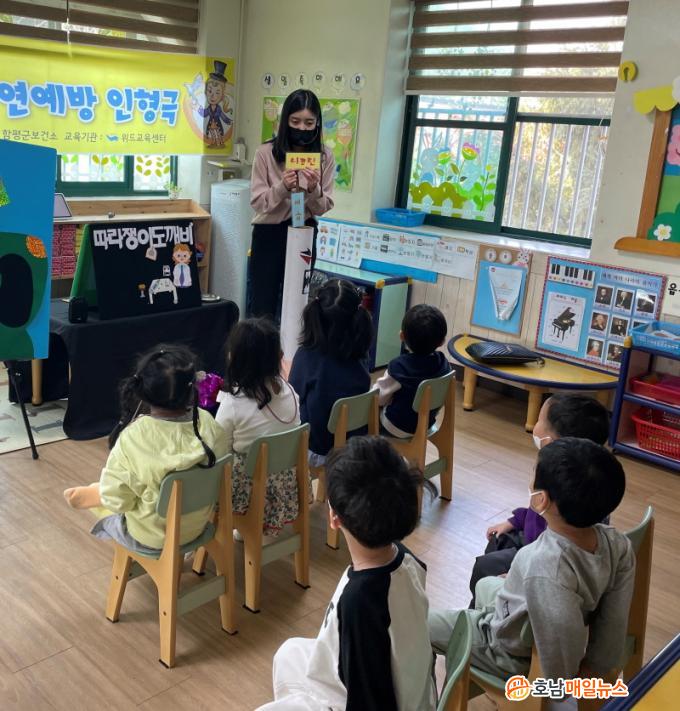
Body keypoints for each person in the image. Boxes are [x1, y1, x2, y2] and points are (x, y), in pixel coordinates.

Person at [430, 438, 635, 691]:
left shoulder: (544, 566)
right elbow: (615, 617)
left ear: (541, 500)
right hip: (521, 616)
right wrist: (599, 666)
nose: (530, 484)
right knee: (485, 584)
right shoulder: (618, 543)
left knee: (418, 625)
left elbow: (560, 634)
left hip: (509, 653)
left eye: (533, 476)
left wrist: (565, 684)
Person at [257, 436, 437, 711]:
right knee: (289, 653)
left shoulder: (360, 602)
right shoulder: (407, 559)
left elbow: (370, 700)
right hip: (408, 689)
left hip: (361, 700)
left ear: (334, 518)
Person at [63, 345, 227, 552]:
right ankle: (98, 491)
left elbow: (119, 501)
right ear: (191, 390)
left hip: (150, 536)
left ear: (143, 391)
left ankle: (97, 492)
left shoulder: (134, 436)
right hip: (197, 526)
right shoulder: (209, 424)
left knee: (111, 504)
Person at [468, 394, 610, 603]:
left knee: (484, 567)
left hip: (542, 560)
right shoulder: (590, 476)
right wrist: (514, 520)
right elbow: (537, 512)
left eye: (540, 420)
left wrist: (519, 576)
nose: (535, 425)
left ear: (553, 441)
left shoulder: (560, 488)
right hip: (536, 543)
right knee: (498, 541)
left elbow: (554, 554)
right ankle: (484, 605)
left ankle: (482, 613)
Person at [249, 89, 335, 320]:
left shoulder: (325, 157)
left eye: (309, 123)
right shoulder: (265, 153)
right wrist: (282, 187)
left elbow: (324, 207)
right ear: (285, 121)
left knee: (298, 301)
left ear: (317, 123)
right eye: (295, 121)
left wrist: (314, 189)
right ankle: (262, 343)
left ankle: (293, 344)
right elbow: (258, 202)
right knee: (262, 303)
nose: (302, 128)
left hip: (304, 231)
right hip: (269, 233)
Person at [215, 318, 305, 536]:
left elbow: (219, 450)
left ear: (235, 359)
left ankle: (233, 526)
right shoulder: (289, 390)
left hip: (247, 489)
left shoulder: (233, 404)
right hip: (284, 484)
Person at [289, 279, 373, 465]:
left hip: (318, 451)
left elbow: (292, 402)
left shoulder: (307, 356)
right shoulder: (361, 354)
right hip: (355, 449)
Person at [375, 304, 451, 438]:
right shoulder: (443, 363)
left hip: (398, 427)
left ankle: (375, 448)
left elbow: (379, 398)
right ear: (442, 341)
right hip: (426, 424)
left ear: (402, 336)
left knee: (372, 408)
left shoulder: (399, 367)